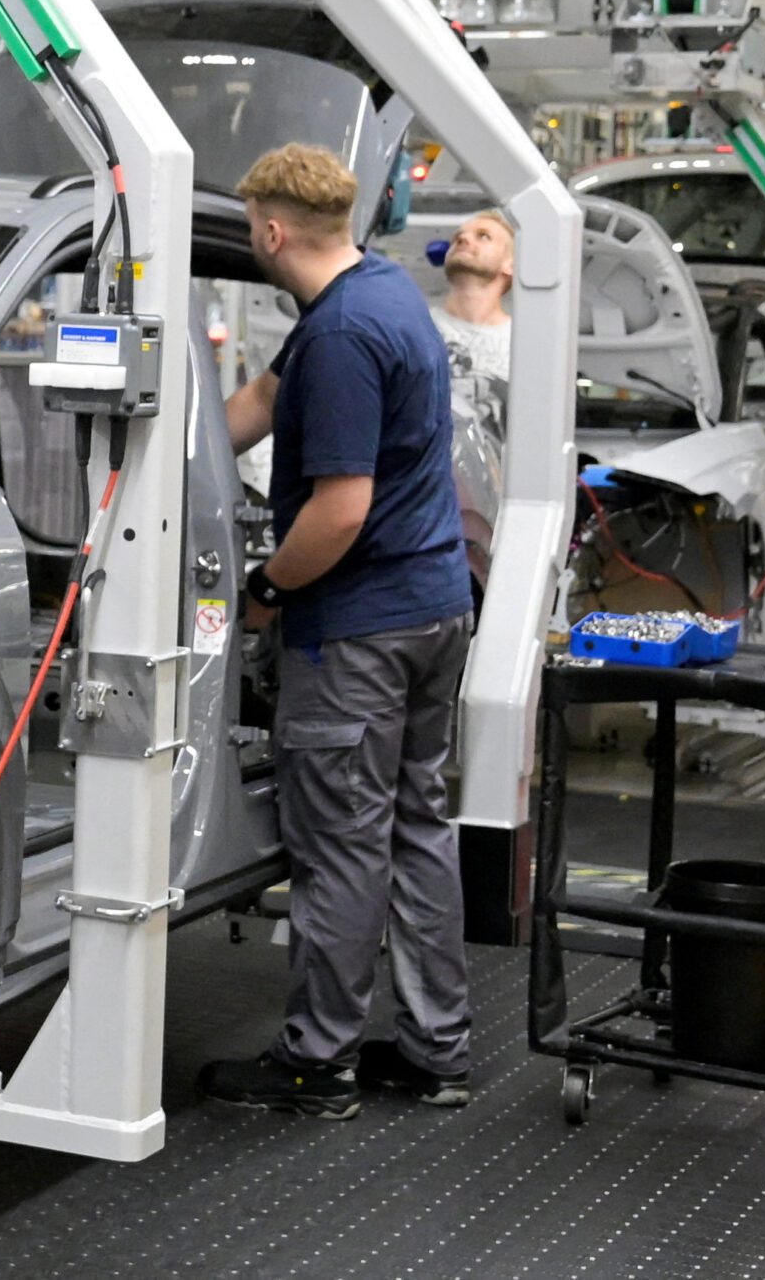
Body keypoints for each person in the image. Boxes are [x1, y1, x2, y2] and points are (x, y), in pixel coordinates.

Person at [199, 143, 477, 1121]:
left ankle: (318, 1062)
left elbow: (341, 509)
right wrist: (178, 450)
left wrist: (265, 587)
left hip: (358, 632)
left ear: (270, 232)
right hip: (433, 611)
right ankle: (437, 1050)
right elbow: (266, 401)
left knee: (342, 848)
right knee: (416, 831)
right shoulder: (379, 293)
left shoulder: (342, 337)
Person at [432, 210, 515, 437]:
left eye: (483, 236)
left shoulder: (525, 343)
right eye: (458, 236)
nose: (463, 239)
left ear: (511, 265)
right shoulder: (418, 328)